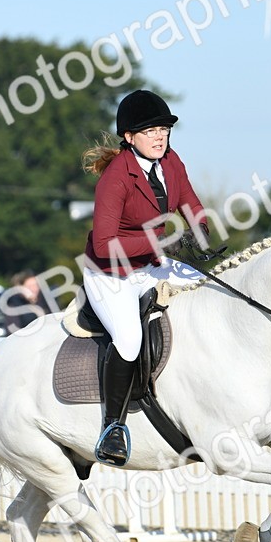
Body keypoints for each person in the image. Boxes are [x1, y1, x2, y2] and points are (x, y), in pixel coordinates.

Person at [80, 89, 209, 467]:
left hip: (151, 264)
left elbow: (190, 203)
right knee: (129, 338)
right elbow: (104, 245)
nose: (159, 137)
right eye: (150, 131)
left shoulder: (171, 161)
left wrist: (200, 231)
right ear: (129, 137)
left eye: (164, 130)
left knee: (207, 292)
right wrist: (162, 240)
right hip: (111, 274)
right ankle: (112, 427)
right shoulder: (115, 177)